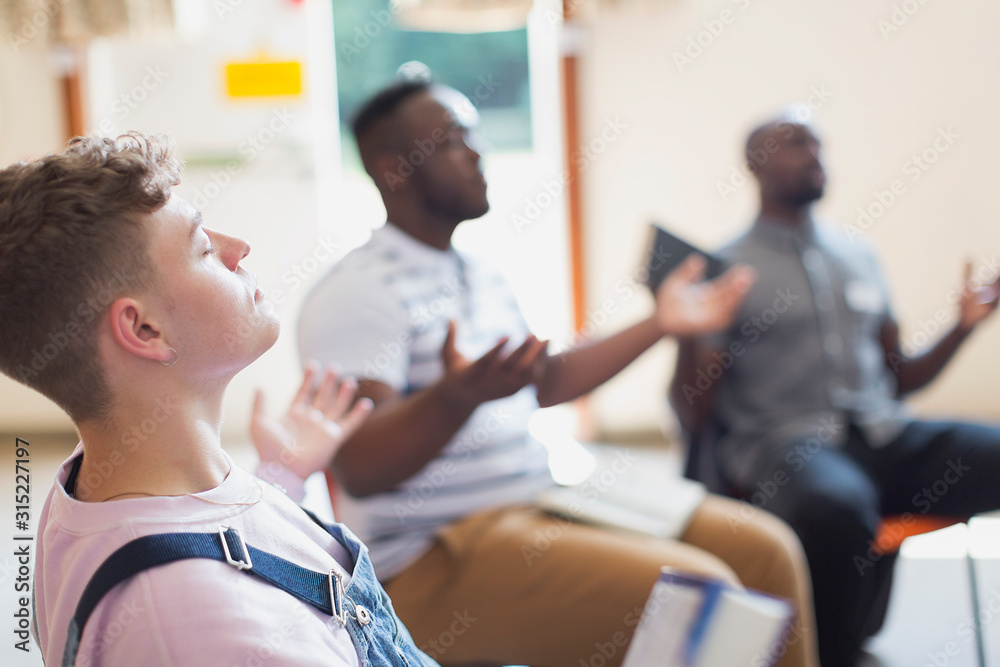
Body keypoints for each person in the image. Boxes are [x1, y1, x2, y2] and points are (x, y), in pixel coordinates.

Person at [298, 79, 821, 667]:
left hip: (538, 500)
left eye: (475, 133)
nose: (478, 150)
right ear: (395, 170)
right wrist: (456, 398)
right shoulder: (358, 293)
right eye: (452, 139)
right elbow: (360, 465)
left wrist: (662, 322)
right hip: (433, 557)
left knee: (767, 551)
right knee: (707, 596)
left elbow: (543, 382)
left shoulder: (479, 271)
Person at [0, 132, 440, 666]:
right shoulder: (196, 621)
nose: (237, 249)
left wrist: (282, 474)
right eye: (203, 247)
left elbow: (217, 542)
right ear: (144, 330)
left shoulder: (97, 479)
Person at [670, 110, 1000, 667]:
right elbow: (692, 412)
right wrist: (685, 334)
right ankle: (830, 655)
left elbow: (901, 377)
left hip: (886, 436)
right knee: (833, 508)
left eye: (819, 144)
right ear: (754, 163)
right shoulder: (724, 269)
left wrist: (963, 328)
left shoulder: (859, 257)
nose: (814, 155)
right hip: (790, 447)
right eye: (795, 143)